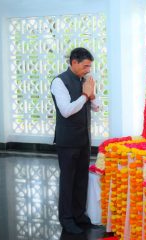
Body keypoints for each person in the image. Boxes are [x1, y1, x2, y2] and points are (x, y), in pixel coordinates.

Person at [51, 47, 100, 234]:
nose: (88, 69)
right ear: (74, 62)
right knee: (68, 181)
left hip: (84, 140)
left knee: (81, 180)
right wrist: (85, 95)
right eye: (85, 66)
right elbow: (66, 110)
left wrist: (92, 94)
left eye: (90, 66)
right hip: (67, 141)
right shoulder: (59, 82)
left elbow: (97, 107)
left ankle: (80, 215)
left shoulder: (85, 80)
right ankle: (67, 219)